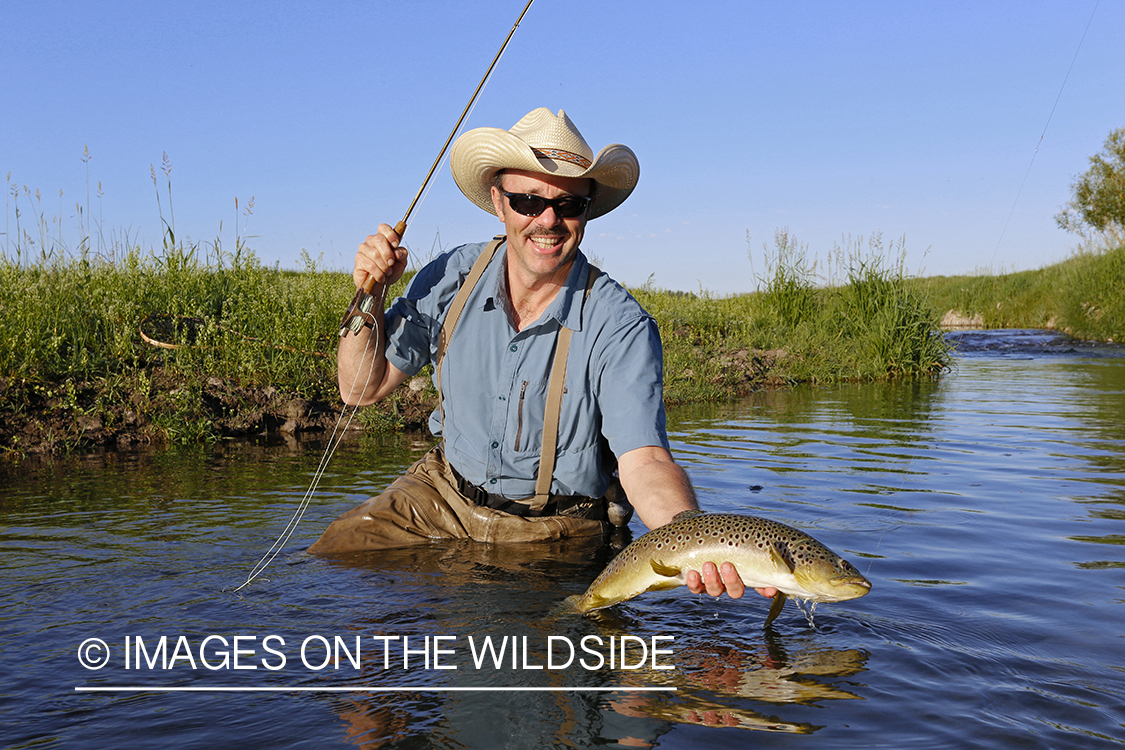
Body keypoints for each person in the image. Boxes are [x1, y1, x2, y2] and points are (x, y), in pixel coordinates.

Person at [309, 108, 773, 602]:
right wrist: (370, 295)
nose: (548, 220)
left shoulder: (620, 326)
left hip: (556, 532)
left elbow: (645, 460)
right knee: (326, 571)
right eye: (528, 201)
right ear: (498, 201)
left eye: (568, 204)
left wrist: (689, 534)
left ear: (588, 209)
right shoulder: (452, 277)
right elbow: (360, 388)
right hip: (440, 496)